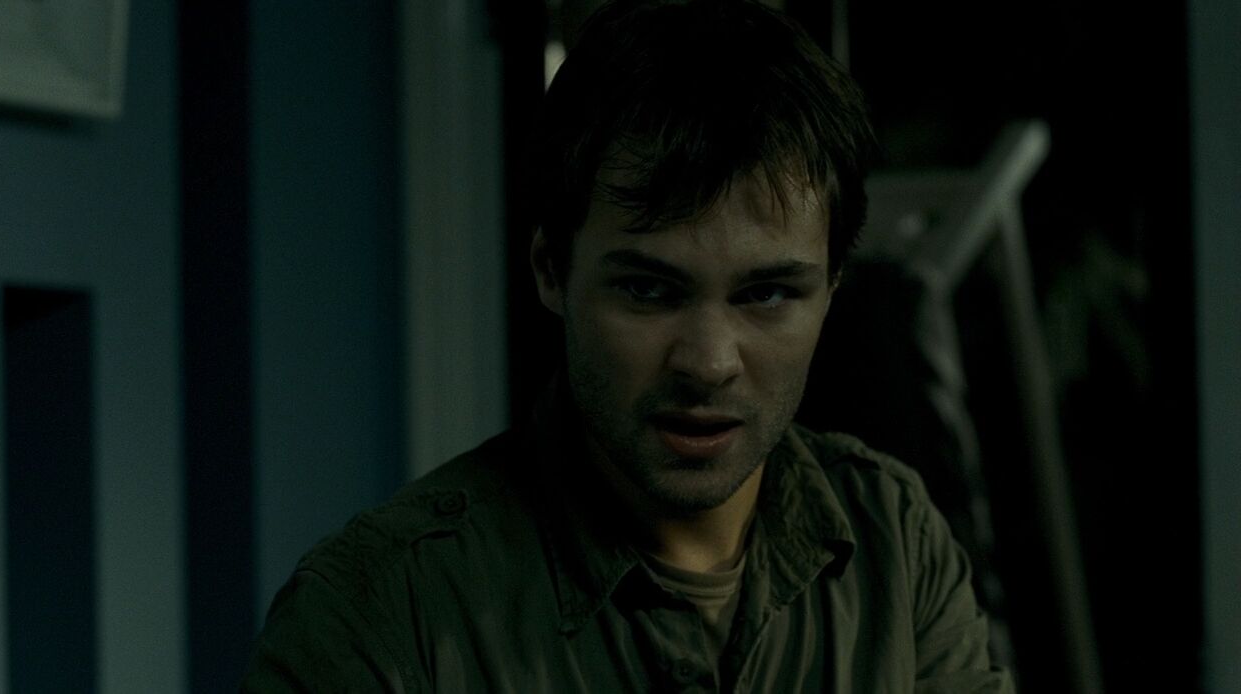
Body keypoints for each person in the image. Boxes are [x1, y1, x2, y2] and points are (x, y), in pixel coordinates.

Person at [242, 1, 1014, 691]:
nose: (709, 363)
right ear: (552, 270)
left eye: (767, 295)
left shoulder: (894, 542)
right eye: (649, 290)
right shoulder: (380, 615)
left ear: (833, 286)